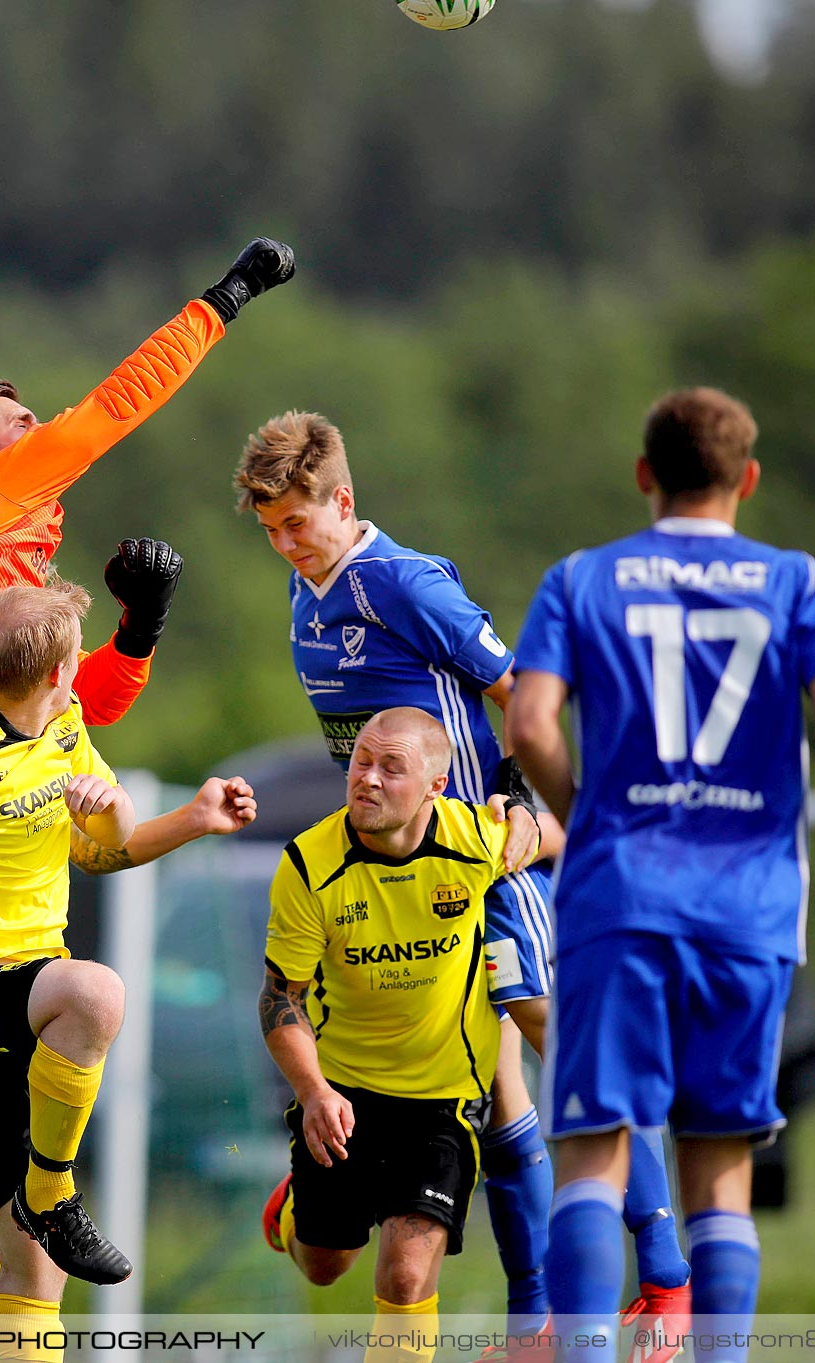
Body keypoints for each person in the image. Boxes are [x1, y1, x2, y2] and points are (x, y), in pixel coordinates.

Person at [233, 412, 691, 1349]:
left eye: (298, 525)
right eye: (270, 529)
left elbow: (519, 691)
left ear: (344, 501)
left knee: (554, 1036)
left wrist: (530, 804)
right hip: (397, 867)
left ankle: (669, 1274)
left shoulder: (404, 583)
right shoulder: (305, 595)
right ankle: (531, 1321)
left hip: (481, 844)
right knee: (504, 1091)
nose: (284, 544)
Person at [506, 388, 815, 1363]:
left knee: (595, 1147)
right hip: (748, 908)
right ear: (747, 480)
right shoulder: (799, 580)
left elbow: (531, 723)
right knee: (720, 1167)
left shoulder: (580, 579)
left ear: (645, 475)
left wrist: (587, 812)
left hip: (621, 899)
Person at [0, 580, 256, 1363]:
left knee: (37, 1266)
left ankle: (43, 1203)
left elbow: (101, 847)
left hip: (21, 990)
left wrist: (183, 816)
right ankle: (51, 1188)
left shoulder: (60, 722)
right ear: (58, 672)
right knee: (95, 991)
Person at [0, 237, 297, 725]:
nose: (41, 431)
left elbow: (88, 703)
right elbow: (117, 404)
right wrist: (228, 297)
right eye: (22, 423)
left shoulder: (4, 561)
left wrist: (139, 628)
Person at [258, 708, 563, 1363]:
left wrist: (528, 819)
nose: (365, 778)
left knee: (404, 1271)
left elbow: (560, 835)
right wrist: (312, 1092)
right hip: (340, 1094)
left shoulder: (475, 839)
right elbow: (281, 999)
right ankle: (292, 1212)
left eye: (390, 767)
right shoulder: (309, 865)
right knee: (324, 1262)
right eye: (361, 761)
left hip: (445, 1099)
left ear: (436, 785)